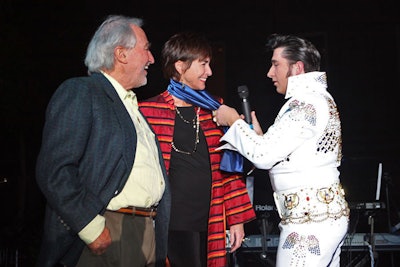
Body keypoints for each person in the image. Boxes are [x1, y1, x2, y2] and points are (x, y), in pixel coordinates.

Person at [35, 15, 170, 267]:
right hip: (108, 234)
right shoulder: (81, 92)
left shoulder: (132, 107)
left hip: (145, 234)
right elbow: (54, 170)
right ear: (121, 54)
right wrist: (89, 225)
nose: (152, 59)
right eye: (146, 49)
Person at [214, 33, 350, 266]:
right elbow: (287, 154)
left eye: (276, 64)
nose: (270, 73)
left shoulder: (305, 103)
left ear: (297, 68)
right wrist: (257, 137)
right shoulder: (315, 99)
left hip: (309, 225)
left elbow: (264, 156)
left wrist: (234, 122)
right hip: (319, 218)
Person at [138, 31, 256, 267]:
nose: (209, 72)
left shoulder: (217, 109)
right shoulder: (147, 111)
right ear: (180, 67)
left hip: (210, 219)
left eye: (209, 64)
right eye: (203, 64)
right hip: (169, 221)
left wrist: (236, 220)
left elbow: (230, 168)